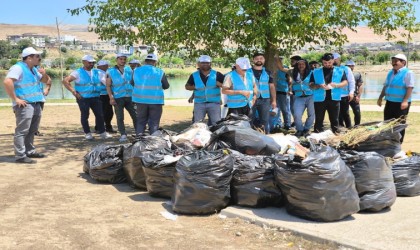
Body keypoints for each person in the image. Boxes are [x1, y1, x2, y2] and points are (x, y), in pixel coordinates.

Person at [3, 47, 49, 163]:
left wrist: (44, 74)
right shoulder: (18, 68)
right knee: (22, 130)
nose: (40, 58)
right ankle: (20, 155)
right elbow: (7, 81)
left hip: (36, 103)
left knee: (32, 129)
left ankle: (29, 151)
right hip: (24, 104)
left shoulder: (34, 69)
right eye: (37, 56)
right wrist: (16, 99)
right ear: (29, 58)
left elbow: (45, 81)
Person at [63, 55, 112, 140]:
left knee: (100, 115)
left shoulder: (97, 72)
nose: (91, 64)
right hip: (83, 98)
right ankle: (87, 133)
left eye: (93, 62)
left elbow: (106, 83)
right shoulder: (77, 72)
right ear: (84, 62)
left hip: (96, 97)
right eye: (89, 62)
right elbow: (65, 81)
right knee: (85, 115)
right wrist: (74, 92)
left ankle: (102, 132)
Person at [377, 53, 415, 143]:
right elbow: (386, 86)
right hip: (390, 102)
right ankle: (389, 142)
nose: (393, 63)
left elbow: (410, 87)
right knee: (387, 123)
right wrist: (380, 97)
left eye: (396, 61)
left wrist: (405, 101)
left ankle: (398, 144)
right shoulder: (391, 72)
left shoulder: (408, 73)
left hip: (401, 103)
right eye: (393, 61)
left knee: (399, 125)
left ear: (403, 62)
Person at [309, 53, 348, 134]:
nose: (327, 64)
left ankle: (336, 136)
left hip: (334, 99)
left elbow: (345, 82)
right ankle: (317, 136)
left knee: (335, 120)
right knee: (319, 120)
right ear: (322, 62)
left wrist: (336, 85)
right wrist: (319, 86)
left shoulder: (340, 70)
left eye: (329, 62)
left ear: (333, 60)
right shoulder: (315, 71)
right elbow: (310, 85)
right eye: (325, 63)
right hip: (319, 99)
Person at [132, 54, 170, 135]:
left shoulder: (136, 71)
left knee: (140, 121)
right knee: (154, 122)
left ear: (145, 61)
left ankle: (139, 139)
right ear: (155, 62)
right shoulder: (160, 72)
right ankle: (153, 141)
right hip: (155, 101)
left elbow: (132, 83)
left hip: (140, 100)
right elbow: (166, 86)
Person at [185, 55, 224, 126]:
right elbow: (187, 86)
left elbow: (228, 85)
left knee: (217, 124)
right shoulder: (194, 75)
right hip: (199, 104)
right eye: (203, 63)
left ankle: (216, 137)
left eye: (207, 63)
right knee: (197, 124)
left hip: (214, 104)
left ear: (210, 64)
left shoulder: (217, 74)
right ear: (199, 64)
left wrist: (220, 84)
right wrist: (194, 87)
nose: (205, 64)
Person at [106, 53, 137, 142]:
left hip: (130, 97)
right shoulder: (110, 71)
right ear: (117, 59)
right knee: (120, 117)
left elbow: (134, 82)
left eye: (124, 59)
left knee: (135, 115)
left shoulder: (129, 70)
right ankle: (123, 134)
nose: (123, 61)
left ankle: (139, 132)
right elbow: (108, 86)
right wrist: (111, 97)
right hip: (118, 98)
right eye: (121, 59)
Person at [248, 52, 276, 134]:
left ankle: (265, 136)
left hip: (265, 100)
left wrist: (274, 100)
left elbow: (272, 86)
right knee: (250, 119)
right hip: (251, 99)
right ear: (253, 60)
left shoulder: (267, 72)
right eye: (256, 59)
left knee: (265, 120)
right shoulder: (247, 72)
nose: (259, 60)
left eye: (261, 58)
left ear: (264, 60)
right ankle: (250, 136)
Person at [275, 55, 302, 130]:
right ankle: (278, 124)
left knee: (286, 109)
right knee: (277, 109)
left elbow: (289, 80)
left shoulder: (285, 68)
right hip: (275, 91)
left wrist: (289, 90)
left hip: (284, 90)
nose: (278, 61)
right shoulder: (272, 68)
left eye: (280, 59)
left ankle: (288, 124)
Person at [291, 59, 315, 137]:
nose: (301, 66)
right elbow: (281, 68)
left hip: (310, 96)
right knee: (297, 114)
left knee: (311, 114)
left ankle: (306, 129)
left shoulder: (311, 73)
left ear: (306, 65)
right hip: (298, 96)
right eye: (299, 64)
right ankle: (300, 129)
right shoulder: (293, 73)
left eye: (303, 64)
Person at [333, 53, 355, 129]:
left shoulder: (346, 69)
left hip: (344, 95)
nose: (334, 61)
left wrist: (351, 92)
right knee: (336, 114)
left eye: (336, 59)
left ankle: (349, 128)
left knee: (345, 113)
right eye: (333, 59)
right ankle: (340, 128)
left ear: (339, 59)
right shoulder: (331, 69)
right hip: (334, 95)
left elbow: (351, 81)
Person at [95, 60, 116, 133]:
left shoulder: (96, 72)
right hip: (103, 95)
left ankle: (103, 127)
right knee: (105, 112)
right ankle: (101, 127)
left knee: (105, 112)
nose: (108, 67)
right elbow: (106, 83)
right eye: (107, 66)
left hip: (102, 95)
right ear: (103, 66)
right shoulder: (101, 73)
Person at [34, 58, 52, 136]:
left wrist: (47, 88)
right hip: (28, 97)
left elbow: (49, 79)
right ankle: (27, 131)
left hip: (40, 96)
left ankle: (35, 130)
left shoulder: (39, 69)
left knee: (38, 115)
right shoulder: (24, 69)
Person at [346, 60, 363, 126]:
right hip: (344, 96)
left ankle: (357, 125)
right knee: (345, 113)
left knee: (357, 112)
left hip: (354, 96)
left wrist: (358, 96)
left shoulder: (357, 74)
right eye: (349, 66)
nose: (350, 67)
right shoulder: (342, 74)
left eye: (352, 66)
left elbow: (360, 85)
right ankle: (348, 126)